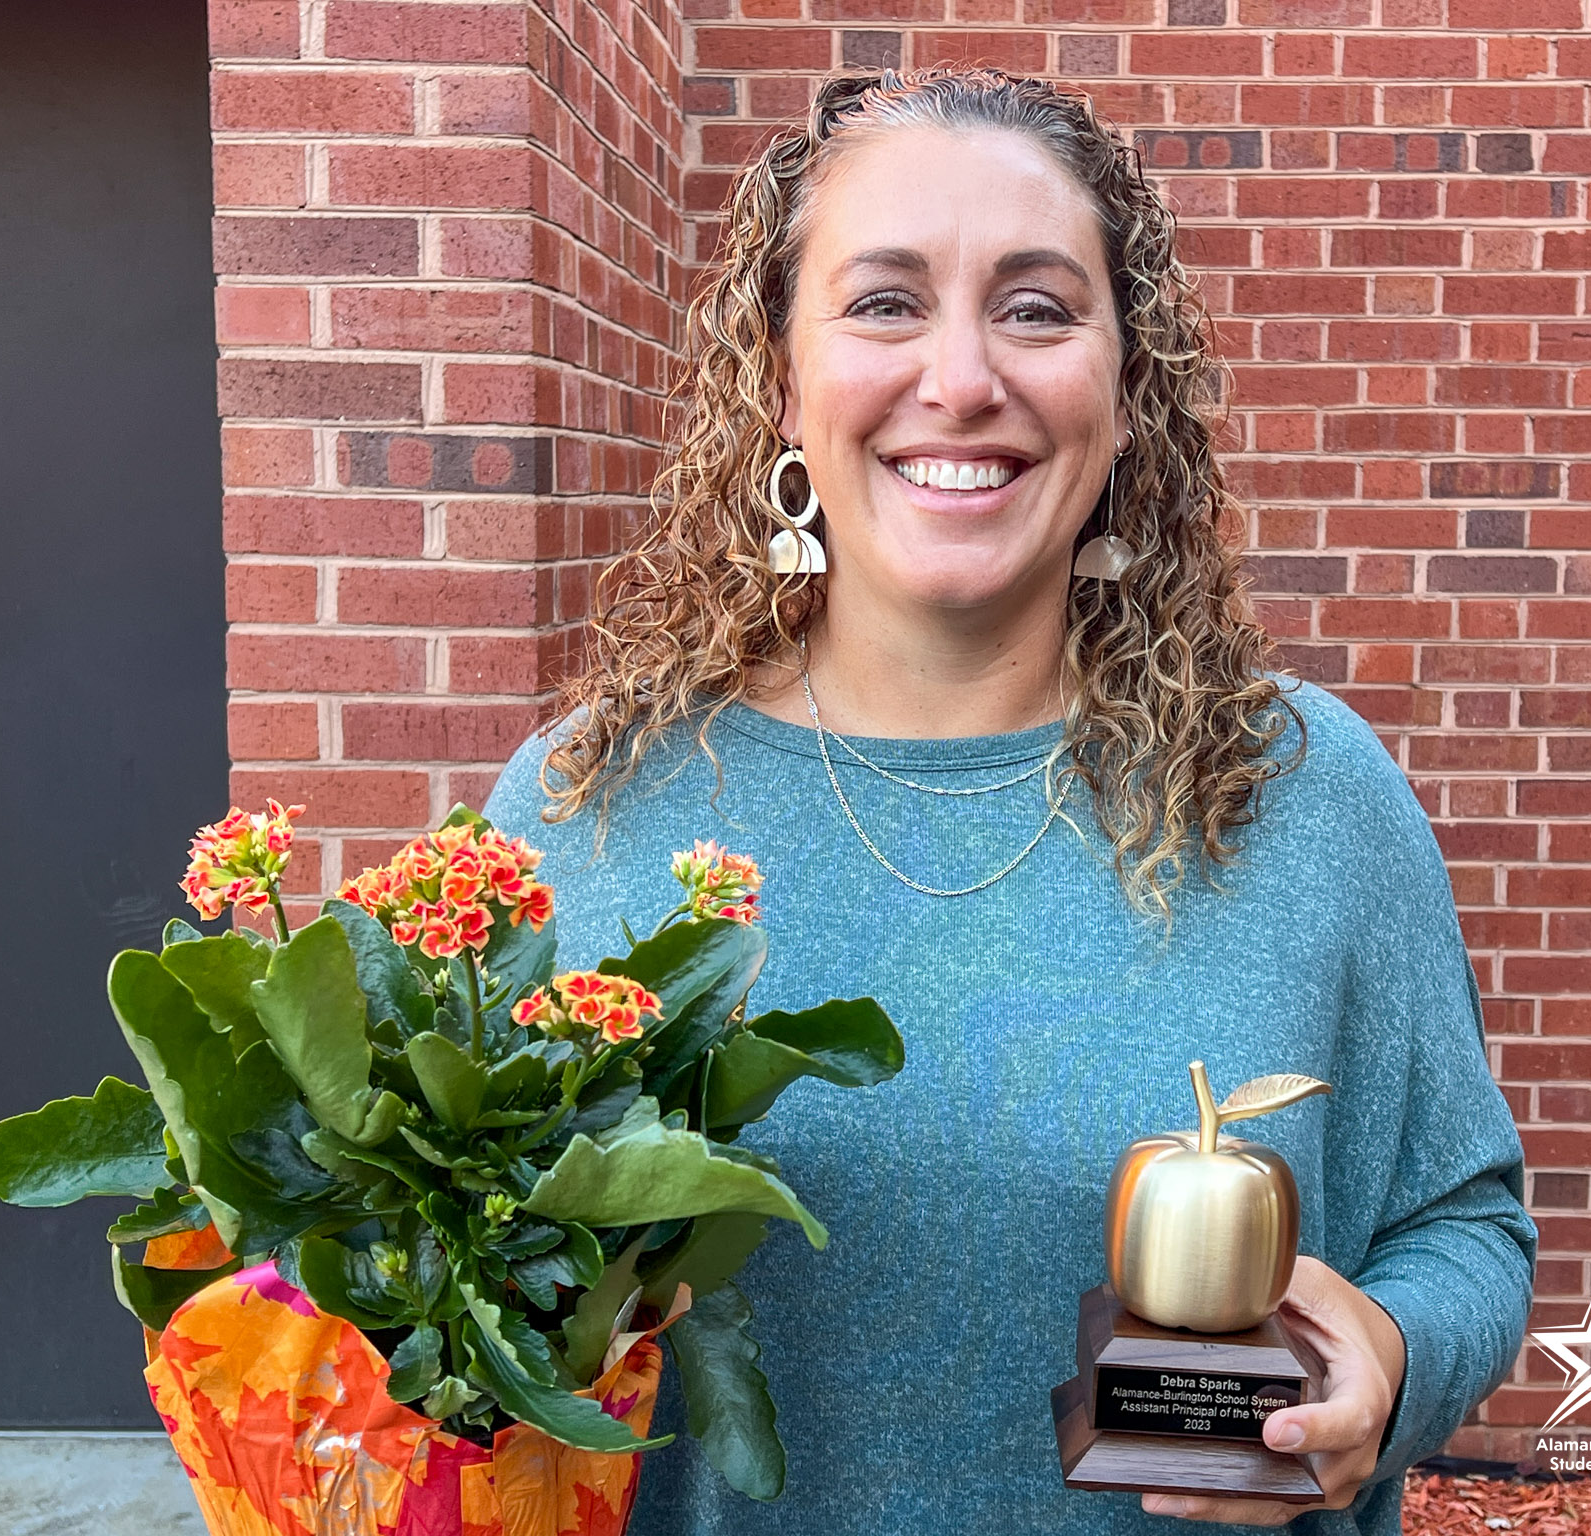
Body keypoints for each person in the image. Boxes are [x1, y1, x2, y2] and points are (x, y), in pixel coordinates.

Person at [485, 67, 1535, 1535]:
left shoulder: (1305, 797)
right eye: (885, 302)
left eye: (1037, 307)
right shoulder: (582, 811)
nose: (964, 378)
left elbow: (1465, 1221)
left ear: (1124, 389)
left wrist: (1396, 1356)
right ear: (779, 380)